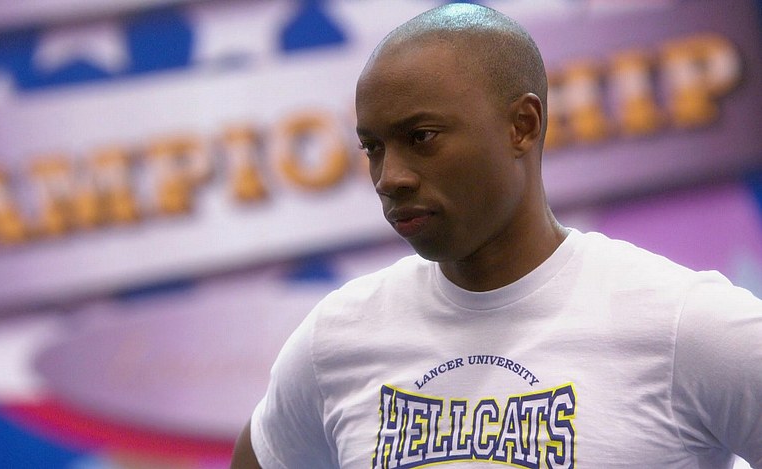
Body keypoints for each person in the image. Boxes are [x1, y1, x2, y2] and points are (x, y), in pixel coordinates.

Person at [230, 3, 762, 468]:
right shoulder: (337, 338)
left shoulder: (684, 324)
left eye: (421, 137)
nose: (389, 177)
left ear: (522, 125)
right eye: (373, 147)